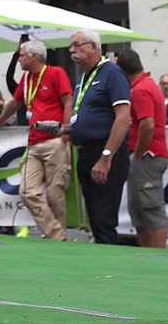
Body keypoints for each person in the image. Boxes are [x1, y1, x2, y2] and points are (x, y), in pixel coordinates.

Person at [0, 38, 72, 241]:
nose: (19, 59)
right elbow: (15, 103)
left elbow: (68, 102)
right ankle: (57, 235)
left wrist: (66, 131)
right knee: (27, 192)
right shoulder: (26, 79)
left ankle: (57, 236)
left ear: (34, 56)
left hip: (54, 140)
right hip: (34, 142)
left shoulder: (56, 73)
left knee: (55, 194)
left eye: (22, 55)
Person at [65, 30, 131, 245]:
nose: (72, 50)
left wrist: (106, 157)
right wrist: (65, 129)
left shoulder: (112, 73)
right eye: (71, 46)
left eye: (77, 45)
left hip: (104, 152)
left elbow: (123, 118)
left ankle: (111, 271)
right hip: (85, 152)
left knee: (103, 220)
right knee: (95, 218)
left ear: (93, 46)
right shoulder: (83, 78)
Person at [116, 49, 168, 250]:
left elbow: (148, 124)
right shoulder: (146, 86)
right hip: (147, 155)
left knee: (150, 207)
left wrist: (138, 152)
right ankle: (150, 253)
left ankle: (157, 254)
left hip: (148, 155)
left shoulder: (141, 90)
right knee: (139, 208)